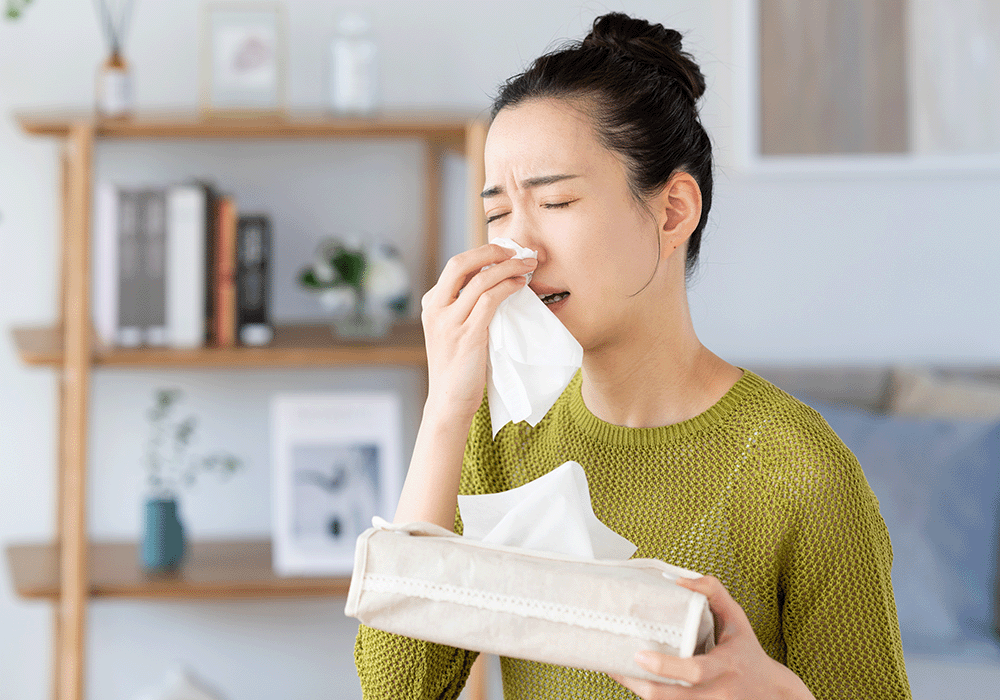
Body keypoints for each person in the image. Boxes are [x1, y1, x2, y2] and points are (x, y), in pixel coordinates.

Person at [354, 12, 911, 700]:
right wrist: (445, 409)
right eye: (498, 214)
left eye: (556, 201)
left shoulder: (802, 470)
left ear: (674, 211)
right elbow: (397, 693)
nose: (519, 251)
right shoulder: (499, 436)